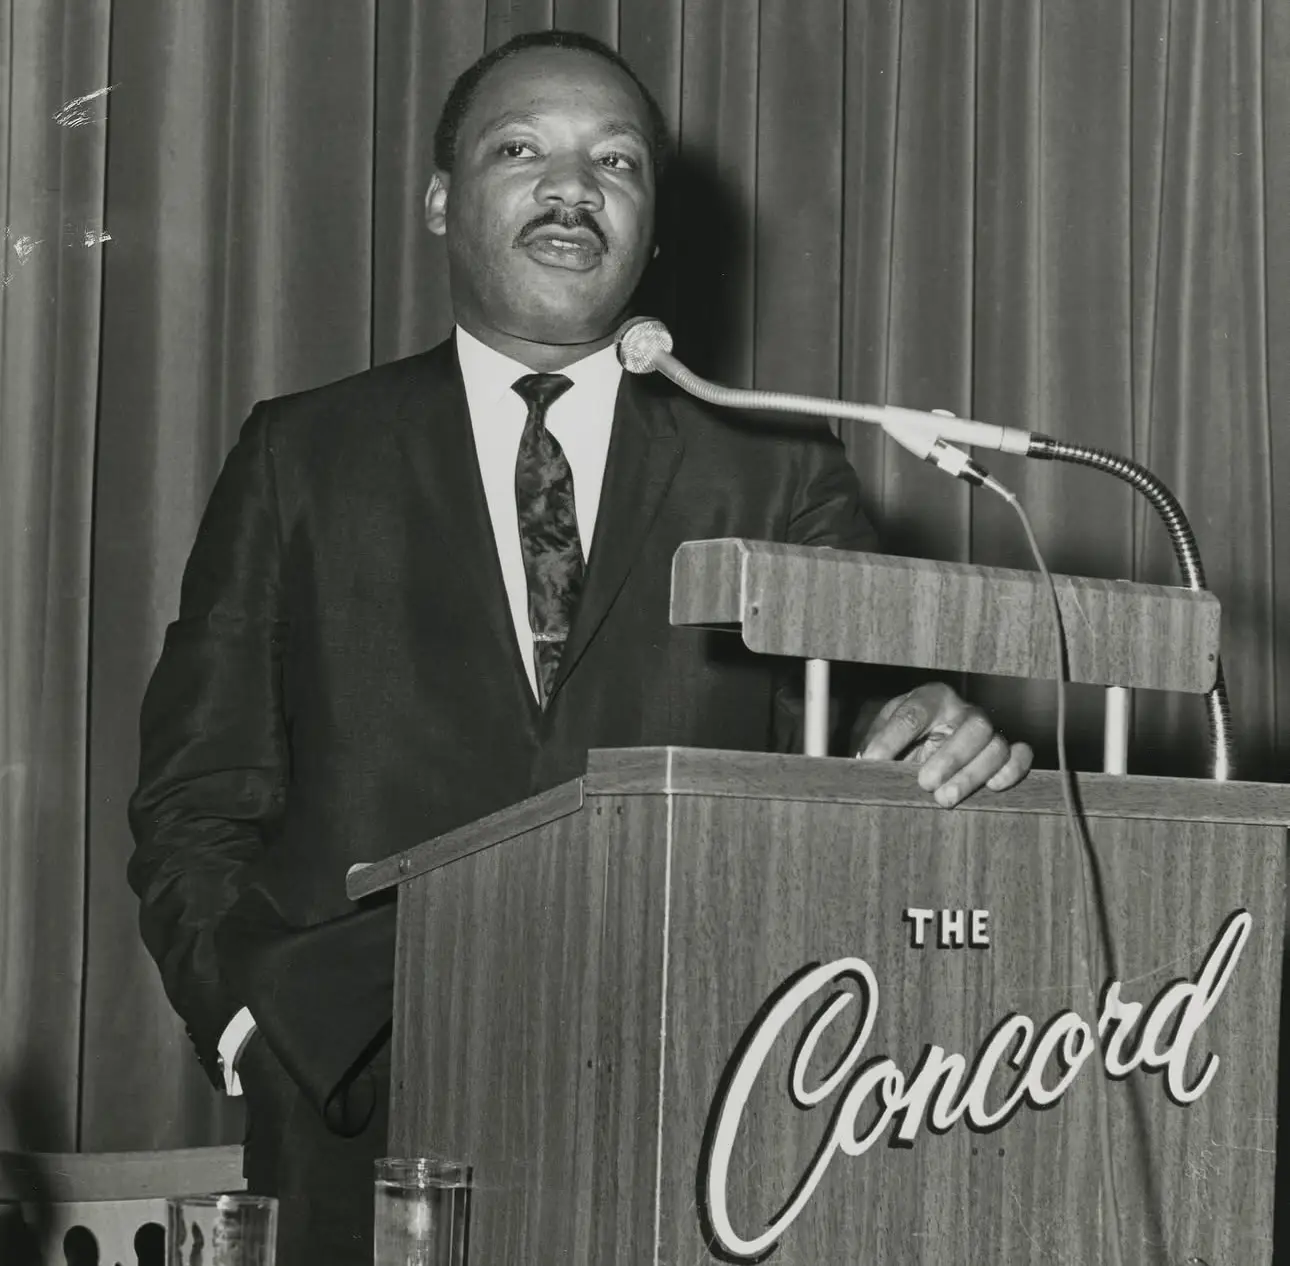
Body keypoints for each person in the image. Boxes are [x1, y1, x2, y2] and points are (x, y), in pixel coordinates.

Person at [127, 29, 1032, 1265]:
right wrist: (249, 1027)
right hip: (362, 1106)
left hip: (695, 1102)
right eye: (521, 150)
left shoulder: (779, 469)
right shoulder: (302, 456)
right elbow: (196, 792)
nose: (571, 189)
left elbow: (872, 744)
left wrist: (931, 725)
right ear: (442, 200)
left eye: (616, 163)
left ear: (653, 227)